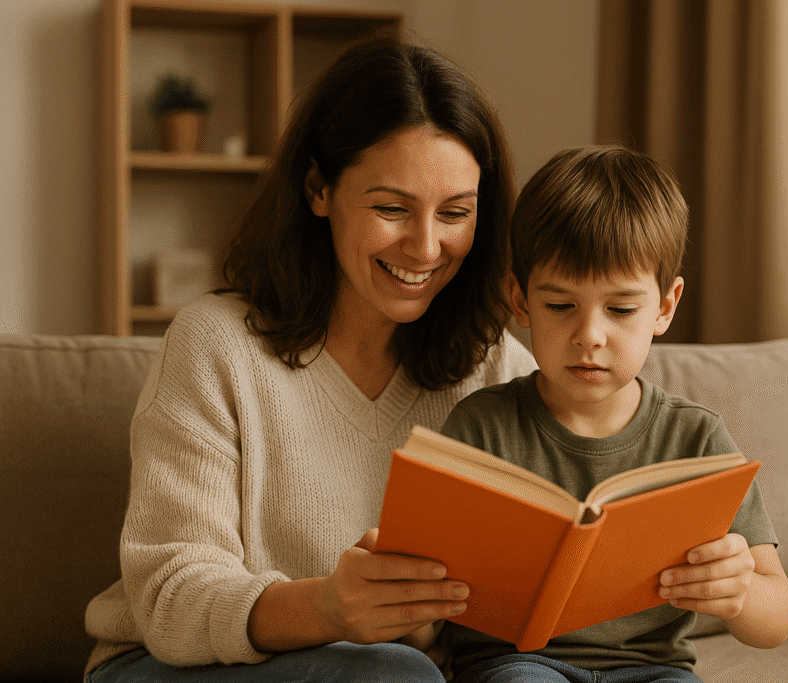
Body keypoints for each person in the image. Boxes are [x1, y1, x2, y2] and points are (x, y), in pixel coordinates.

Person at [82, 38, 537, 683]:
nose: (426, 247)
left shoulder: (490, 364)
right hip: (171, 663)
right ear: (319, 188)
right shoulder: (217, 345)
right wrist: (325, 609)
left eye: (455, 214)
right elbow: (169, 597)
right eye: (390, 209)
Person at [437, 146, 788, 683]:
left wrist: (739, 590)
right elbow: (429, 598)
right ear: (520, 300)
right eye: (560, 306)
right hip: (515, 663)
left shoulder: (696, 438)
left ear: (665, 307)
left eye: (621, 310)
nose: (590, 335)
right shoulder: (480, 427)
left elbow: (778, 618)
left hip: (651, 671)